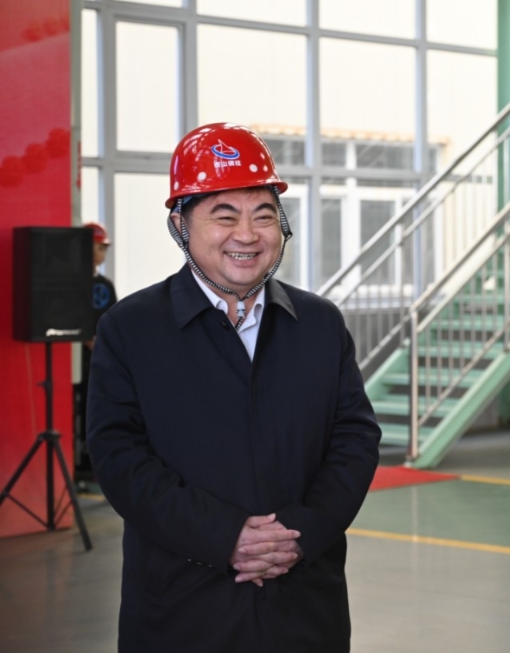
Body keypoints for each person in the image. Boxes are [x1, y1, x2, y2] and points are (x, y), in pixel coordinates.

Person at [87, 122, 381, 652]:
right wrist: (226, 537)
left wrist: (297, 536)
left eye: (263, 215)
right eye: (224, 216)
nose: (247, 235)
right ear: (180, 224)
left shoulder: (319, 324)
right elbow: (119, 456)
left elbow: (354, 441)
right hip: (182, 609)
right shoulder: (132, 329)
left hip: (304, 606)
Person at [75, 221, 117, 482]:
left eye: (102, 248)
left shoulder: (105, 285)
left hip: (99, 361)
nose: (97, 253)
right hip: (75, 360)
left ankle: (93, 465)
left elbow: (112, 319)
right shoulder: (69, 283)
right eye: (93, 247)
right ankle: (77, 462)